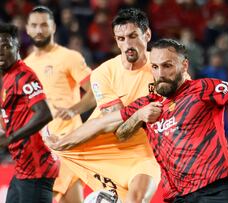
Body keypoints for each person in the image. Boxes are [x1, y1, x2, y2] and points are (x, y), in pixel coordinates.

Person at [48, 39, 228, 203]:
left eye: (167, 65)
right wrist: (62, 143)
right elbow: (108, 125)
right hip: (177, 198)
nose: (160, 72)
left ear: (183, 65)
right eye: (155, 67)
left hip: (218, 191)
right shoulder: (147, 105)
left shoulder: (204, 89)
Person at [46, 8, 161, 203]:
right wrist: (140, 115)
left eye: (133, 36)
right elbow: (115, 125)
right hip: (99, 147)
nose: (127, 44)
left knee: (137, 200)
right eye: (121, 38)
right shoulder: (104, 72)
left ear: (147, 34)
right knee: (62, 189)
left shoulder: (163, 69)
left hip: (143, 152)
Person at [24, 6, 95, 203]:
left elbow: (95, 91)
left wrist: (74, 109)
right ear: (28, 29)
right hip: (40, 146)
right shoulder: (25, 66)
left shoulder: (69, 57)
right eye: (35, 25)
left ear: (53, 27)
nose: (39, 30)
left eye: (44, 25)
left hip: (68, 142)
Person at [0, 23, 59, 203]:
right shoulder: (9, 76)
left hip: (37, 169)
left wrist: (11, 138)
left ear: (17, 47)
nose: (1, 51)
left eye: (6, 46)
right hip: (22, 169)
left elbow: (44, 113)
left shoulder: (23, 75)